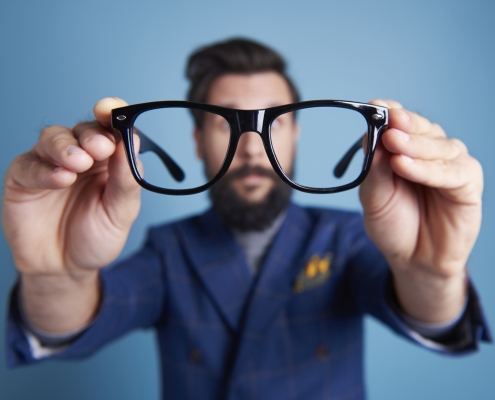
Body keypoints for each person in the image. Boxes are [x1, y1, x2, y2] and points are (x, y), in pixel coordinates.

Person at [3, 38, 491, 399]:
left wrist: (431, 272)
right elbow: (84, 320)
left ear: (297, 134)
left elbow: (427, 313)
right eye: (224, 121)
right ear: (196, 141)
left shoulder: (346, 238)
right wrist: (57, 276)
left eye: (275, 121)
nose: (253, 146)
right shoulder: (168, 251)